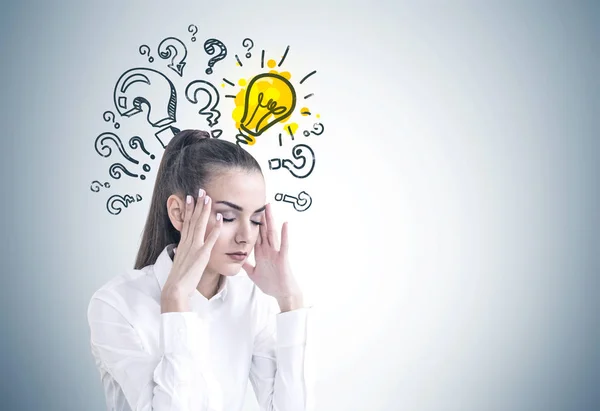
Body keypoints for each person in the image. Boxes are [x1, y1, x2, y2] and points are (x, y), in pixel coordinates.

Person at [87, 129, 314, 411]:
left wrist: (290, 301)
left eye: (256, 220)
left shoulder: (250, 300)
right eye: (228, 217)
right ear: (179, 213)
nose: (246, 236)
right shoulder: (116, 304)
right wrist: (175, 301)